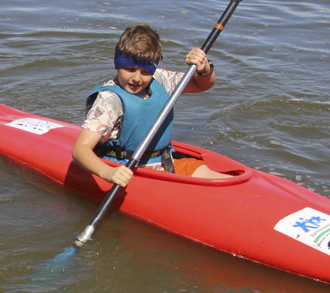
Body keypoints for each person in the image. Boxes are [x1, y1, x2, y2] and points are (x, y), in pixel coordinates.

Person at [71, 23, 231, 187]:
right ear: (117, 64)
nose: (137, 78)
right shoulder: (109, 100)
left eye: (145, 72)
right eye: (129, 69)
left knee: (226, 183)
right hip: (125, 169)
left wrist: (204, 69)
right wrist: (108, 173)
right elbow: (80, 150)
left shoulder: (161, 79)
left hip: (164, 163)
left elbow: (200, 85)